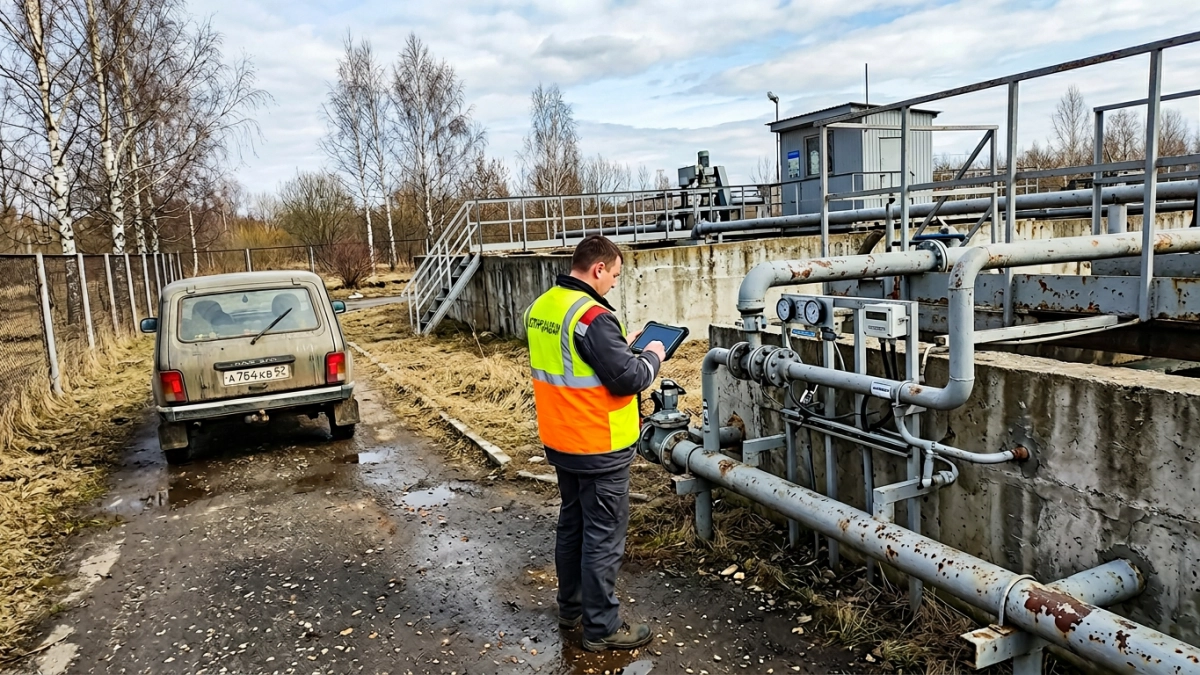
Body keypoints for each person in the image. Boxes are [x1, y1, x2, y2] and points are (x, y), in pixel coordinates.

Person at [523, 235, 666, 652]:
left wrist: (623, 344)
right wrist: (652, 354)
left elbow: (578, 359)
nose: (615, 284)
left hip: (561, 439)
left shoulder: (544, 305)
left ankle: (571, 609)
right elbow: (628, 380)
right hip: (599, 445)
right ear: (598, 269)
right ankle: (601, 628)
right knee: (603, 536)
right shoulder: (592, 316)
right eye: (615, 275)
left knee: (573, 524)